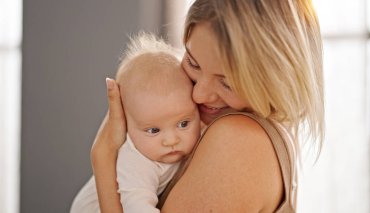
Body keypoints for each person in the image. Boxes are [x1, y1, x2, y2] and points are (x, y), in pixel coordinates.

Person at [91, 0, 324, 212]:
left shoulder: (239, 142)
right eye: (193, 62)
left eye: (228, 84)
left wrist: (102, 158)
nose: (198, 94)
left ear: (276, 82)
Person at [70, 33, 201, 213]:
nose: (171, 140)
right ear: (126, 125)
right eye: (154, 130)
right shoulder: (136, 162)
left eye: (183, 124)